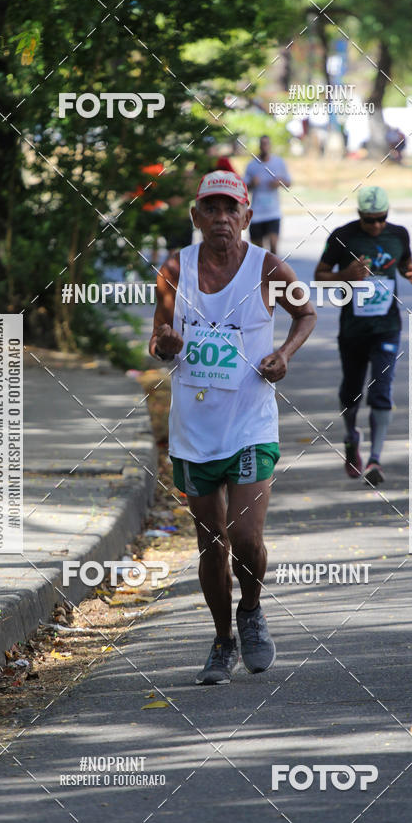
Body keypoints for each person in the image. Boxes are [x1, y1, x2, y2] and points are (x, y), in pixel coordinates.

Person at [149, 170, 316, 685]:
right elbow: (157, 335)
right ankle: (222, 640)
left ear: (247, 217)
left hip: (251, 423)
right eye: (211, 210)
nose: (221, 219)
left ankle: (252, 609)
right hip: (195, 429)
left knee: (245, 536)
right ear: (197, 218)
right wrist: (165, 345)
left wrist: (283, 354)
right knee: (210, 543)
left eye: (231, 210)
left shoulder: (267, 267)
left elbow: (305, 313)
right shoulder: (176, 267)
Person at [314, 185, 412, 486]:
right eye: (369, 219)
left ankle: (375, 460)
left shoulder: (399, 235)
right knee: (351, 391)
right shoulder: (342, 237)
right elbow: (319, 275)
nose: (376, 225)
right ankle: (351, 437)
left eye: (381, 219)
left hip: (387, 327)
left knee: (381, 391)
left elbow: (406, 264)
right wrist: (344, 275)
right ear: (359, 215)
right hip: (352, 329)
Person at [244, 135, 291, 254]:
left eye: (266, 144)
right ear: (259, 146)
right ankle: (261, 272)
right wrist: (252, 183)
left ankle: (274, 272)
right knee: (258, 251)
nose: (264, 146)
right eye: (262, 144)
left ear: (270, 146)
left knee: (273, 246)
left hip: (273, 212)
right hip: (257, 213)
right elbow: (244, 187)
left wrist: (279, 182)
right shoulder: (252, 165)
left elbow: (288, 183)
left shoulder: (278, 162)